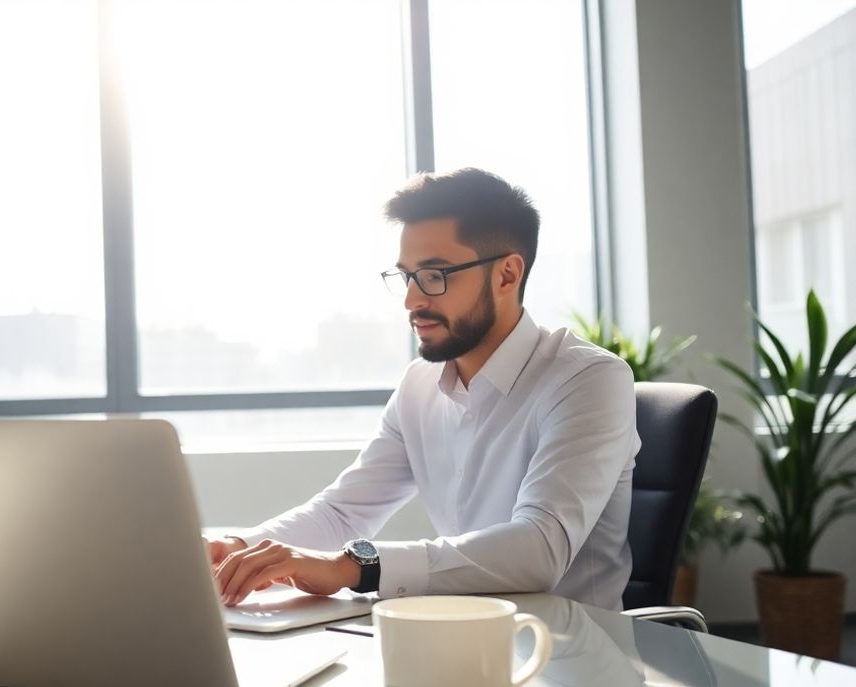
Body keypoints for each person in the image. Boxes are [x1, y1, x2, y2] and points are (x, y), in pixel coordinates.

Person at [208, 168, 639, 611]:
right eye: (407, 277)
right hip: (455, 640)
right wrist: (236, 548)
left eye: (435, 276)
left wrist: (352, 567)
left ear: (507, 275)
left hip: (571, 658)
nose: (413, 300)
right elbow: (342, 512)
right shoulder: (420, 385)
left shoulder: (588, 380)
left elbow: (540, 547)